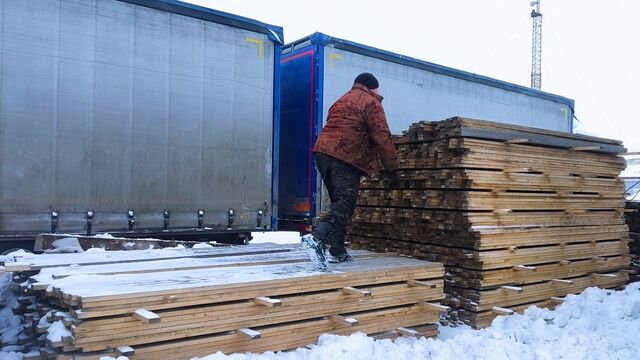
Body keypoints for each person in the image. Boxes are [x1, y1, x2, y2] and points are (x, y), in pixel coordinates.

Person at [301, 72, 399, 269]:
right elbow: (382, 137)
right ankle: (317, 237)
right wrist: (392, 170)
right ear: (372, 88)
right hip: (345, 156)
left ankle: (337, 251)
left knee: (339, 202)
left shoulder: (341, 100)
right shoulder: (371, 103)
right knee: (345, 204)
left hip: (323, 153)